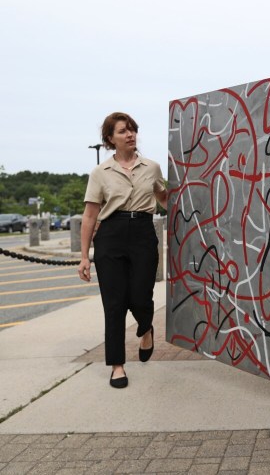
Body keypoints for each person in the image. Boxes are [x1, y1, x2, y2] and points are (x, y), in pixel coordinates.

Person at [78, 112, 167, 389]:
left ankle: (145, 328)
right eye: (122, 131)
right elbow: (90, 215)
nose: (130, 135)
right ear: (109, 139)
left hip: (142, 232)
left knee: (141, 296)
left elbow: (163, 197)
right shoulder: (100, 173)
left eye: (132, 130)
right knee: (114, 303)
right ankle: (117, 365)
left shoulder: (151, 167)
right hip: (111, 236)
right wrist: (83, 257)